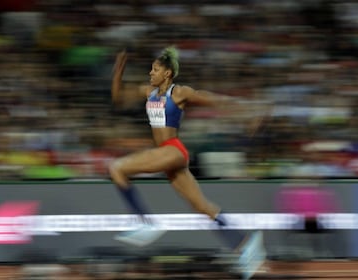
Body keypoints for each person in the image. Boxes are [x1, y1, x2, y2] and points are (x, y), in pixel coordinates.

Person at [109, 46, 268, 279]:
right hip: (168, 158)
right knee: (203, 207)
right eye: (150, 69)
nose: (150, 73)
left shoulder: (180, 92)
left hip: (173, 150)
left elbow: (215, 100)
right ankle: (246, 244)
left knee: (116, 168)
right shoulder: (148, 91)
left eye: (155, 70)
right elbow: (118, 98)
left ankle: (145, 222)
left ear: (168, 74)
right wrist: (118, 70)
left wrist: (248, 110)